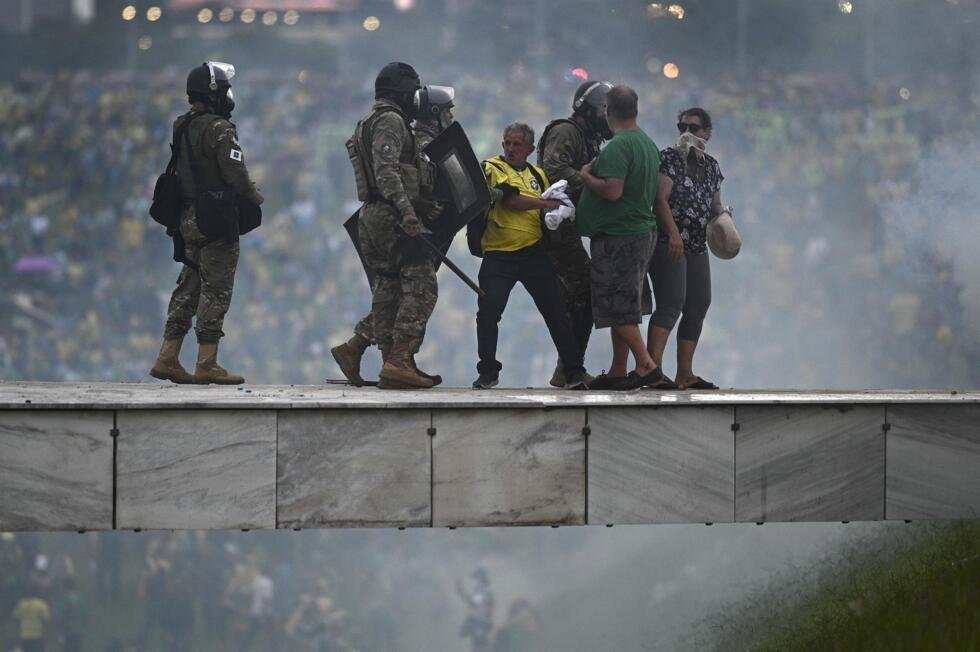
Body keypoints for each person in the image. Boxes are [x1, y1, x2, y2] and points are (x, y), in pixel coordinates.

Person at [149, 61, 264, 385]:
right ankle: (207, 362)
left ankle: (168, 356)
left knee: (188, 286)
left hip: (188, 217)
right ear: (215, 93)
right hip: (215, 219)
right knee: (216, 290)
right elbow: (234, 172)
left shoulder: (181, 124)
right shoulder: (219, 128)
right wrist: (254, 195)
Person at [331, 83, 453, 388]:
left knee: (390, 286)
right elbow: (391, 174)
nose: (451, 115)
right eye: (448, 110)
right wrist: (411, 211)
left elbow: (402, 176)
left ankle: (359, 350)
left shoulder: (373, 124)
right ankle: (399, 360)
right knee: (422, 285)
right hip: (393, 216)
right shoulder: (400, 127)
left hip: (373, 215)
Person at [472, 123, 589, 390]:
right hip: (499, 254)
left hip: (533, 253)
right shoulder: (492, 167)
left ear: (530, 149)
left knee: (556, 312)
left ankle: (574, 372)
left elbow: (555, 201)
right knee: (488, 314)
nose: (510, 149)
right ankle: (488, 371)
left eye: (516, 144)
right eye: (507, 143)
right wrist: (546, 205)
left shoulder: (539, 175)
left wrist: (558, 213)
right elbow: (510, 201)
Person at [577, 85, 667, 389]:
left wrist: (586, 176)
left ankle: (645, 365)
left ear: (608, 111)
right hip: (641, 232)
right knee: (626, 304)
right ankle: (618, 369)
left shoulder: (618, 146)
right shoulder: (647, 144)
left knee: (617, 305)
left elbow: (613, 190)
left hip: (620, 236)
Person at [536, 80, 613, 387]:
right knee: (584, 293)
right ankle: (570, 369)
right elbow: (553, 170)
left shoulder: (587, 138)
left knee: (581, 297)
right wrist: (590, 180)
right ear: (591, 110)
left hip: (568, 227)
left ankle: (568, 367)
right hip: (556, 227)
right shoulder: (566, 132)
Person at [648, 108, 726, 389]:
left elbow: (714, 205)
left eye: (693, 127)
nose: (687, 132)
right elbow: (661, 199)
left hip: (696, 242)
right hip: (672, 241)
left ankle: (685, 373)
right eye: (682, 126)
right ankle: (652, 370)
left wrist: (725, 220)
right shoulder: (669, 157)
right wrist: (673, 234)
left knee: (698, 303)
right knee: (671, 304)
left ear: (707, 132)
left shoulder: (712, 166)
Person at [12, 583, 50, 652]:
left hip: (24, 635)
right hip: (38, 636)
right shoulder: (41, 604)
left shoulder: (21, 604)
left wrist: (18, 631)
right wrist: (46, 634)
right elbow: (45, 621)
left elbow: (15, 619)